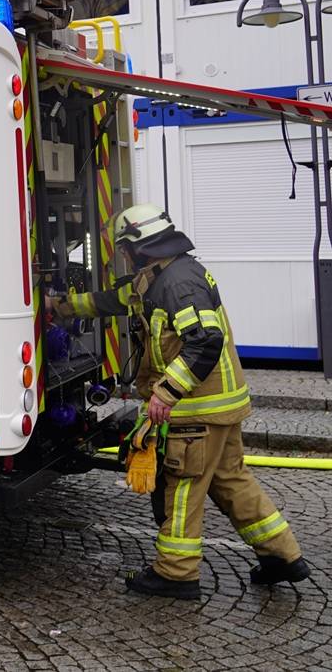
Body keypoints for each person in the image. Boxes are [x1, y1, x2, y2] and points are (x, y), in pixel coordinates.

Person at [48, 204, 308, 599]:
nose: (122, 256)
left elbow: (205, 340)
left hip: (196, 409)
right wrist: (62, 307)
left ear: (138, 246)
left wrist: (166, 391)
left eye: (123, 248)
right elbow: (113, 300)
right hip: (218, 406)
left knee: (182, 485)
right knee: (231, 481)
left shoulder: (177, 283)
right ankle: (283, 556)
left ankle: (176, 573)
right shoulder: (160, 276)